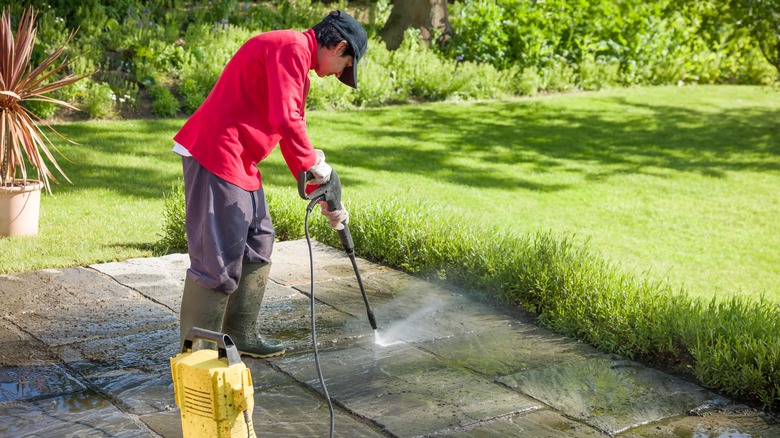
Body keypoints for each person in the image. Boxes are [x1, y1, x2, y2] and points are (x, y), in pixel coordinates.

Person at [172, 10, 368, 358]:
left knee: (258, 239)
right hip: (216, 151)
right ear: (338, 46)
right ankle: (197, 356)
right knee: (217, 255)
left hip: (239, 158)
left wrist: (320, 192)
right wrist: (316, 165)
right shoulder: (290, 48)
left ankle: (239, 336)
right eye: (345, 64)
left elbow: (287, 130)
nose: (340, 74)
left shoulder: (297, 61)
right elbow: (287, 119)